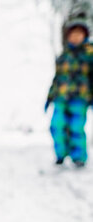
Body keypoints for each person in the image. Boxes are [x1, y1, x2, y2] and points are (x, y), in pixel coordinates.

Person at [46, 15, 93, 167]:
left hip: (80, 98)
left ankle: (78, 156)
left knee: (76, 127)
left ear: (85, 36)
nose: (76, 37)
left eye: (79, 34)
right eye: (73, 34)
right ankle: (61, 154)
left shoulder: (89, 54)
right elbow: (57, 78)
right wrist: (49, 97)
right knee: (57, 125)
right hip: (61, 97)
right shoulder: (64, 56)